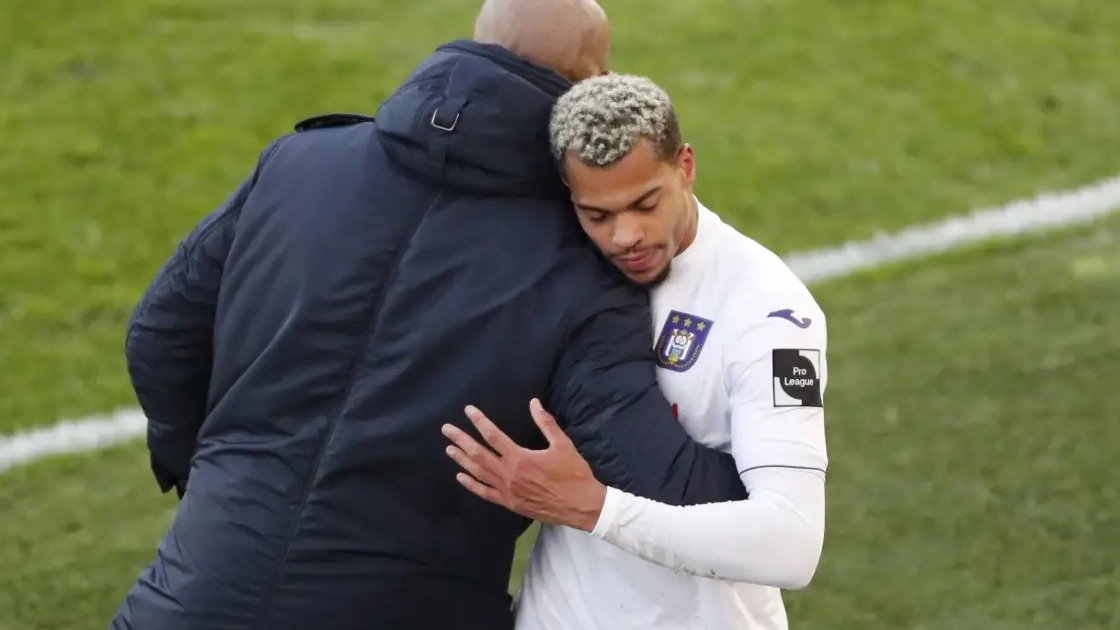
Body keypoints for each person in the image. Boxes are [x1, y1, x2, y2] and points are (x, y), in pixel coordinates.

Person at [112, 4, 749, 629]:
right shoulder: (580, 263)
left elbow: (158, 338)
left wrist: (217, 479)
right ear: (591, 86)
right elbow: (656, 477)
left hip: (191, 596)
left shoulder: (296, 163)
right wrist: (776, 489)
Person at [443, 73, 829, 630]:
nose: (625, 236)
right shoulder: (564, 265)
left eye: (646, 204)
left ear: (686, 167)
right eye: (597, 215)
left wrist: (594, 508)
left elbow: (792, 544)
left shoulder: (774, 317)